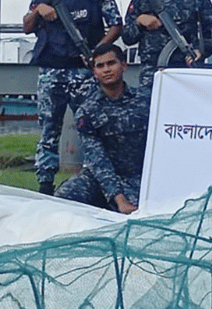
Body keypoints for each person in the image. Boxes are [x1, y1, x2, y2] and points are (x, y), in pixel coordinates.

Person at [23, 0, 122, 195]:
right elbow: (26, 27)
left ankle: (95, 182)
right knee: (48, 131)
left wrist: (98, 50)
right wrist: (38, 10)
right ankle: (45, 185)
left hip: (83, 70)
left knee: (91, 128)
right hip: (52, 70)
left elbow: (115, 25)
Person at [55, 43, 149, 214]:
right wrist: (119, 199)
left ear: (124, 65)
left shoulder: (147, 101)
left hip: (138, 177)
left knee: (143, 210)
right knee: (63, 198)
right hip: (101, 177)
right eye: (100, 66)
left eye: (111, 63)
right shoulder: (88, 111)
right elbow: (98, 161)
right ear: (94, 73)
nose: (106, 69)